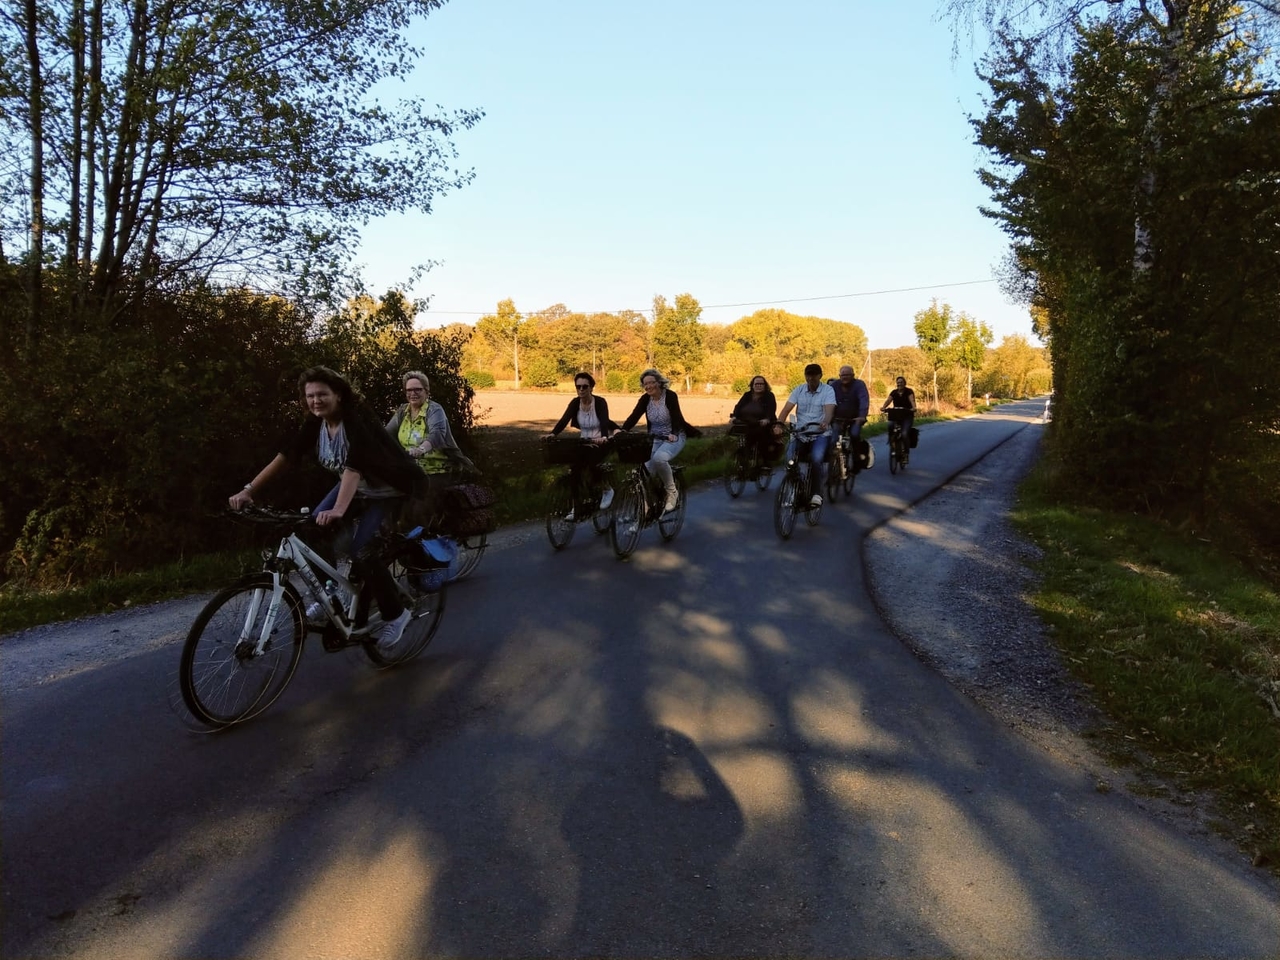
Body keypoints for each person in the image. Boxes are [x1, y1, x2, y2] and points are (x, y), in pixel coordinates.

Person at [229, 366, 421, 653]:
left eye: (322, 394)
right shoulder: (316, 423)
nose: (315, 401)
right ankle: (331, 595)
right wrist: (248, 490)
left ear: (338, 395)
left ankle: (396, 613)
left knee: (362, 549)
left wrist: (339, 510)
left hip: (391, 489)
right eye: (310, 396)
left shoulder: (356, 420)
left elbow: (355, 466)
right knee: (311, 529)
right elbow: (286, 456)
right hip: (357, 486)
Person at [620, 368, 703, 514]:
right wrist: (622, 431)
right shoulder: (645, 399)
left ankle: (672, 492)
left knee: (659, 459)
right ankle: (646, 504)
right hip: (655, 438)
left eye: (651, 382)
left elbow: (677, 417)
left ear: (659, 383)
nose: (648, 386)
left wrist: (673, 433)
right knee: (644, 471)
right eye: (645, 384)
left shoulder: (669, 396)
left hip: (674, 436)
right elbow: (634, 416)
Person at [386, 370, 470, 509]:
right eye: (409, 390)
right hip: (410, 469)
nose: (413, 393)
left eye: (418, 389)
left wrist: (421, 449)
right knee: (389, 500)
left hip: (436, 470)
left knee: (418, 509)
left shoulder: (434, 410)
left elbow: (437, 434)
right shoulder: (402, 411)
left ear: (426, 391)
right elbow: (386, 434)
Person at [546, 372, 619, 516]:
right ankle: (577, 506)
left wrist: (604, 436)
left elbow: (604, 420)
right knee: (574, 470)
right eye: (578, 386)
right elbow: (564, 419)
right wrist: (553, 434)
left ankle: (607, 489)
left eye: (584, 386)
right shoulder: (575, 403)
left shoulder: (600, 402)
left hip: (601, 441)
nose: (581, 389)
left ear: (591, 388)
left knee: (593, 464)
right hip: (584, 441)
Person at [777, 363, 836, 507]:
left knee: (816, 458)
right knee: (790, 458)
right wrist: (778, 424)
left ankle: (816, 493)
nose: (811, 378)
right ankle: (796, 486)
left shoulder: (828, 390)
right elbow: (786, 409)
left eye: (814, 375)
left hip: (820, 433)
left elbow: (829, 410)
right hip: (801, 433)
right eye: (808, 375)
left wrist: (825, 422)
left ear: (820, 376)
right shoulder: (799, 389)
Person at [730, 375, 779, 466]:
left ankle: (764, 461)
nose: (758, 386)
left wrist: (767, 419)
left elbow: (771, 409)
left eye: (761, 384)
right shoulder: (747, 395)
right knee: (739, 434)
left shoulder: (769, 396)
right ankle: (743, 457)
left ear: (765, 385)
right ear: (752, 385)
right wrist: (734, 416)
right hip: (747, 422)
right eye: (756, 384)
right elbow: (738, 406)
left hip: (762, 423)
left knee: (760, 436)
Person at [880, 376, 917, 463]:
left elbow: (912, 400)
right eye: (898, 382)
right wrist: (883, 407)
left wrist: (914, 408)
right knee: (890, 425)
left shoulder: (909, 391)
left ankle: (906, 454)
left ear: (904, 383)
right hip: (896, 415)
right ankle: (892, 441)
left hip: (907, 416)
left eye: (901, 382)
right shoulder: (894, 392)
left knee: (904, 433)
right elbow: (888, 400)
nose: (899, 384)